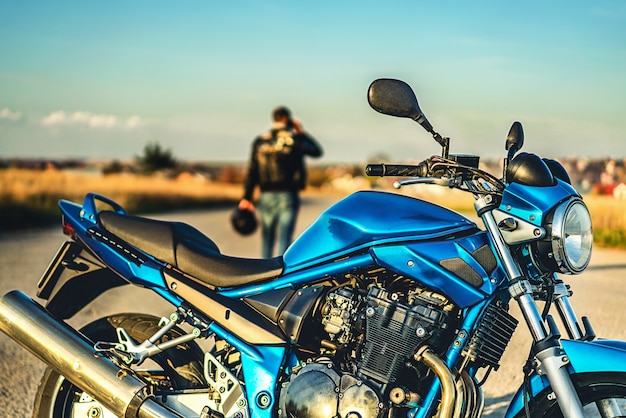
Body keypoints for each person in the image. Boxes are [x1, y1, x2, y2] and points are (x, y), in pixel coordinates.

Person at [239, 106, 323, 258]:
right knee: (285, 240)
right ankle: (282, 277)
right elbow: (316, 151)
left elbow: (252, 170)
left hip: (266, 195)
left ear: (274, 119)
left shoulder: (260, 141)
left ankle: (264, 273)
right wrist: (301, 133)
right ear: (287, 119)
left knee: (267, 238)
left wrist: (246, 197)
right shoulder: (294, 140)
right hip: (288, 194)